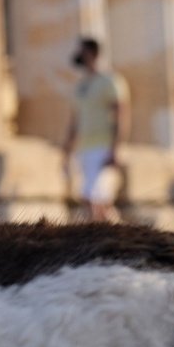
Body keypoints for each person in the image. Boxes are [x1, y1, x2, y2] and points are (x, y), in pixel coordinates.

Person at [61, 37, 129, 222]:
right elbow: (75, 120)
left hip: (102, 147)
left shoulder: (110, 81)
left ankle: (115, 242)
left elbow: (120, 115)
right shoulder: (80, 86)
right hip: (83, 148)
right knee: (90, 201)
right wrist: (67, 150)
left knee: (95, 200)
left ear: (92, 54)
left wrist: (116, 149)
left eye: (82, 51)